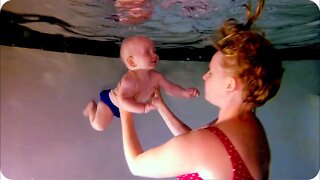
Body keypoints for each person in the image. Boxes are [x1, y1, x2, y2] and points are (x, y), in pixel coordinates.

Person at [119, 0, 284, 179]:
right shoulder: (249, 124)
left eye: (211, 72)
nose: (205, 76)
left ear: (230, 84)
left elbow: (137, 165)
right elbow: (194, 141)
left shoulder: (207, 143)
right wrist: (160, 105)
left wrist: (124, 109)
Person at [83, 35, 199, 131]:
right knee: (99, 126)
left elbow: (170, 88)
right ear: (132, 62)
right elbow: (123, 101)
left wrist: (184, 93)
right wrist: (144, 107)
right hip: (111, 103)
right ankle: (92, 110)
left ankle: (93, 110)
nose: (155, 55)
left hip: (129, 107)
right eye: (148, 52)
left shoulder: (156, 76)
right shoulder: (129, 80)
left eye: (154, 51)